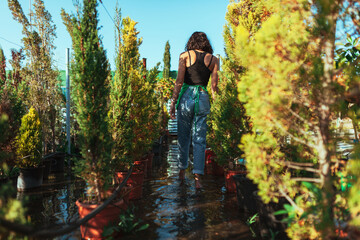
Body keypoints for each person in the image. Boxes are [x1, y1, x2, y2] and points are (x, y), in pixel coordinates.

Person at [169, 31, 219, 189]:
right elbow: (214, 87)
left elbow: (179, 82)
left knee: (183, 138)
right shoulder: (214, 60)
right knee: (200, 140)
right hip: (203, 97)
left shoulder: (184, 56)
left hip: (186, 98)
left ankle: (182, 173)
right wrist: (217, 106)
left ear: (191, 42)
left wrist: (172, 103)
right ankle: (197, 179)